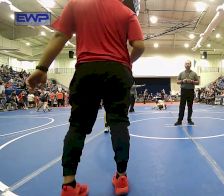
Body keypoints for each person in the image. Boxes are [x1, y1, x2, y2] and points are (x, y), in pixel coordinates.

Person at [25, 0, 145, 195]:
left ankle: (69, 185)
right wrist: (125, 62)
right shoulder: (127, 12)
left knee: (77, 126)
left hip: (86, 70)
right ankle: (121, 177)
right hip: (117, 72)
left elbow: (60, 35)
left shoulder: (76, 4)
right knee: (119, 122)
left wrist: (41, 68)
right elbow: (139, 45)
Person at [174, 60, 199, 126]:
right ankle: (179, 120)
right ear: (184, 65)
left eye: (188, 64)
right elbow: (177, 81)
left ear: (190, 65)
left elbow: (198, 82)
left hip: (191, 91)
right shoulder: (181, 73)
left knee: (190, 106)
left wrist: (192, 81)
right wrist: (183, 81)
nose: (187, 65)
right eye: (186, 64)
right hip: (183, 91)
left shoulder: (194, 73)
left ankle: (189, 119)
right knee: (182, 106)